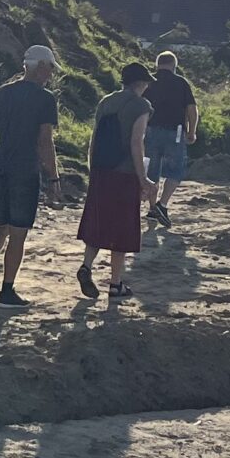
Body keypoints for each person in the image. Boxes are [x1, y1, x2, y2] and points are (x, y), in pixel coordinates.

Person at [0, 45, 61, 306]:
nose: (51, 74)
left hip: (0, 168)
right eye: (50, 68)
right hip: (25, 170)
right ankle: (7, 291)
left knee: (3, 226)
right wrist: (54, 177)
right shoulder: (45, 98)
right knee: (19, 233)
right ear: (40, 67)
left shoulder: (2, 93)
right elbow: (45, 141)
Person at [76, 63, 154, 297]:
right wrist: (143, 179)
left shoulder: (106, 101)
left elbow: (94, 138)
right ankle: (115, 283)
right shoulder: (142, 105)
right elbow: (136, 142)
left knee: (98, 224)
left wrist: (92, 168)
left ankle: (86, 266)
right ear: (141, 83)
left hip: (101, 170)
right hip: (124, 173)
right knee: (122, 230)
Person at [143, 49, 198, 224]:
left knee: (152, 171)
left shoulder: (148, 82)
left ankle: (153, 207)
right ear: (174, 66)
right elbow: (191, 109)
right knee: (176, 170)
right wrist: (192, 131)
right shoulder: (181, 83)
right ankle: (163, 204)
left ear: (157, 64)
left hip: (150, 130)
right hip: (176, 131)